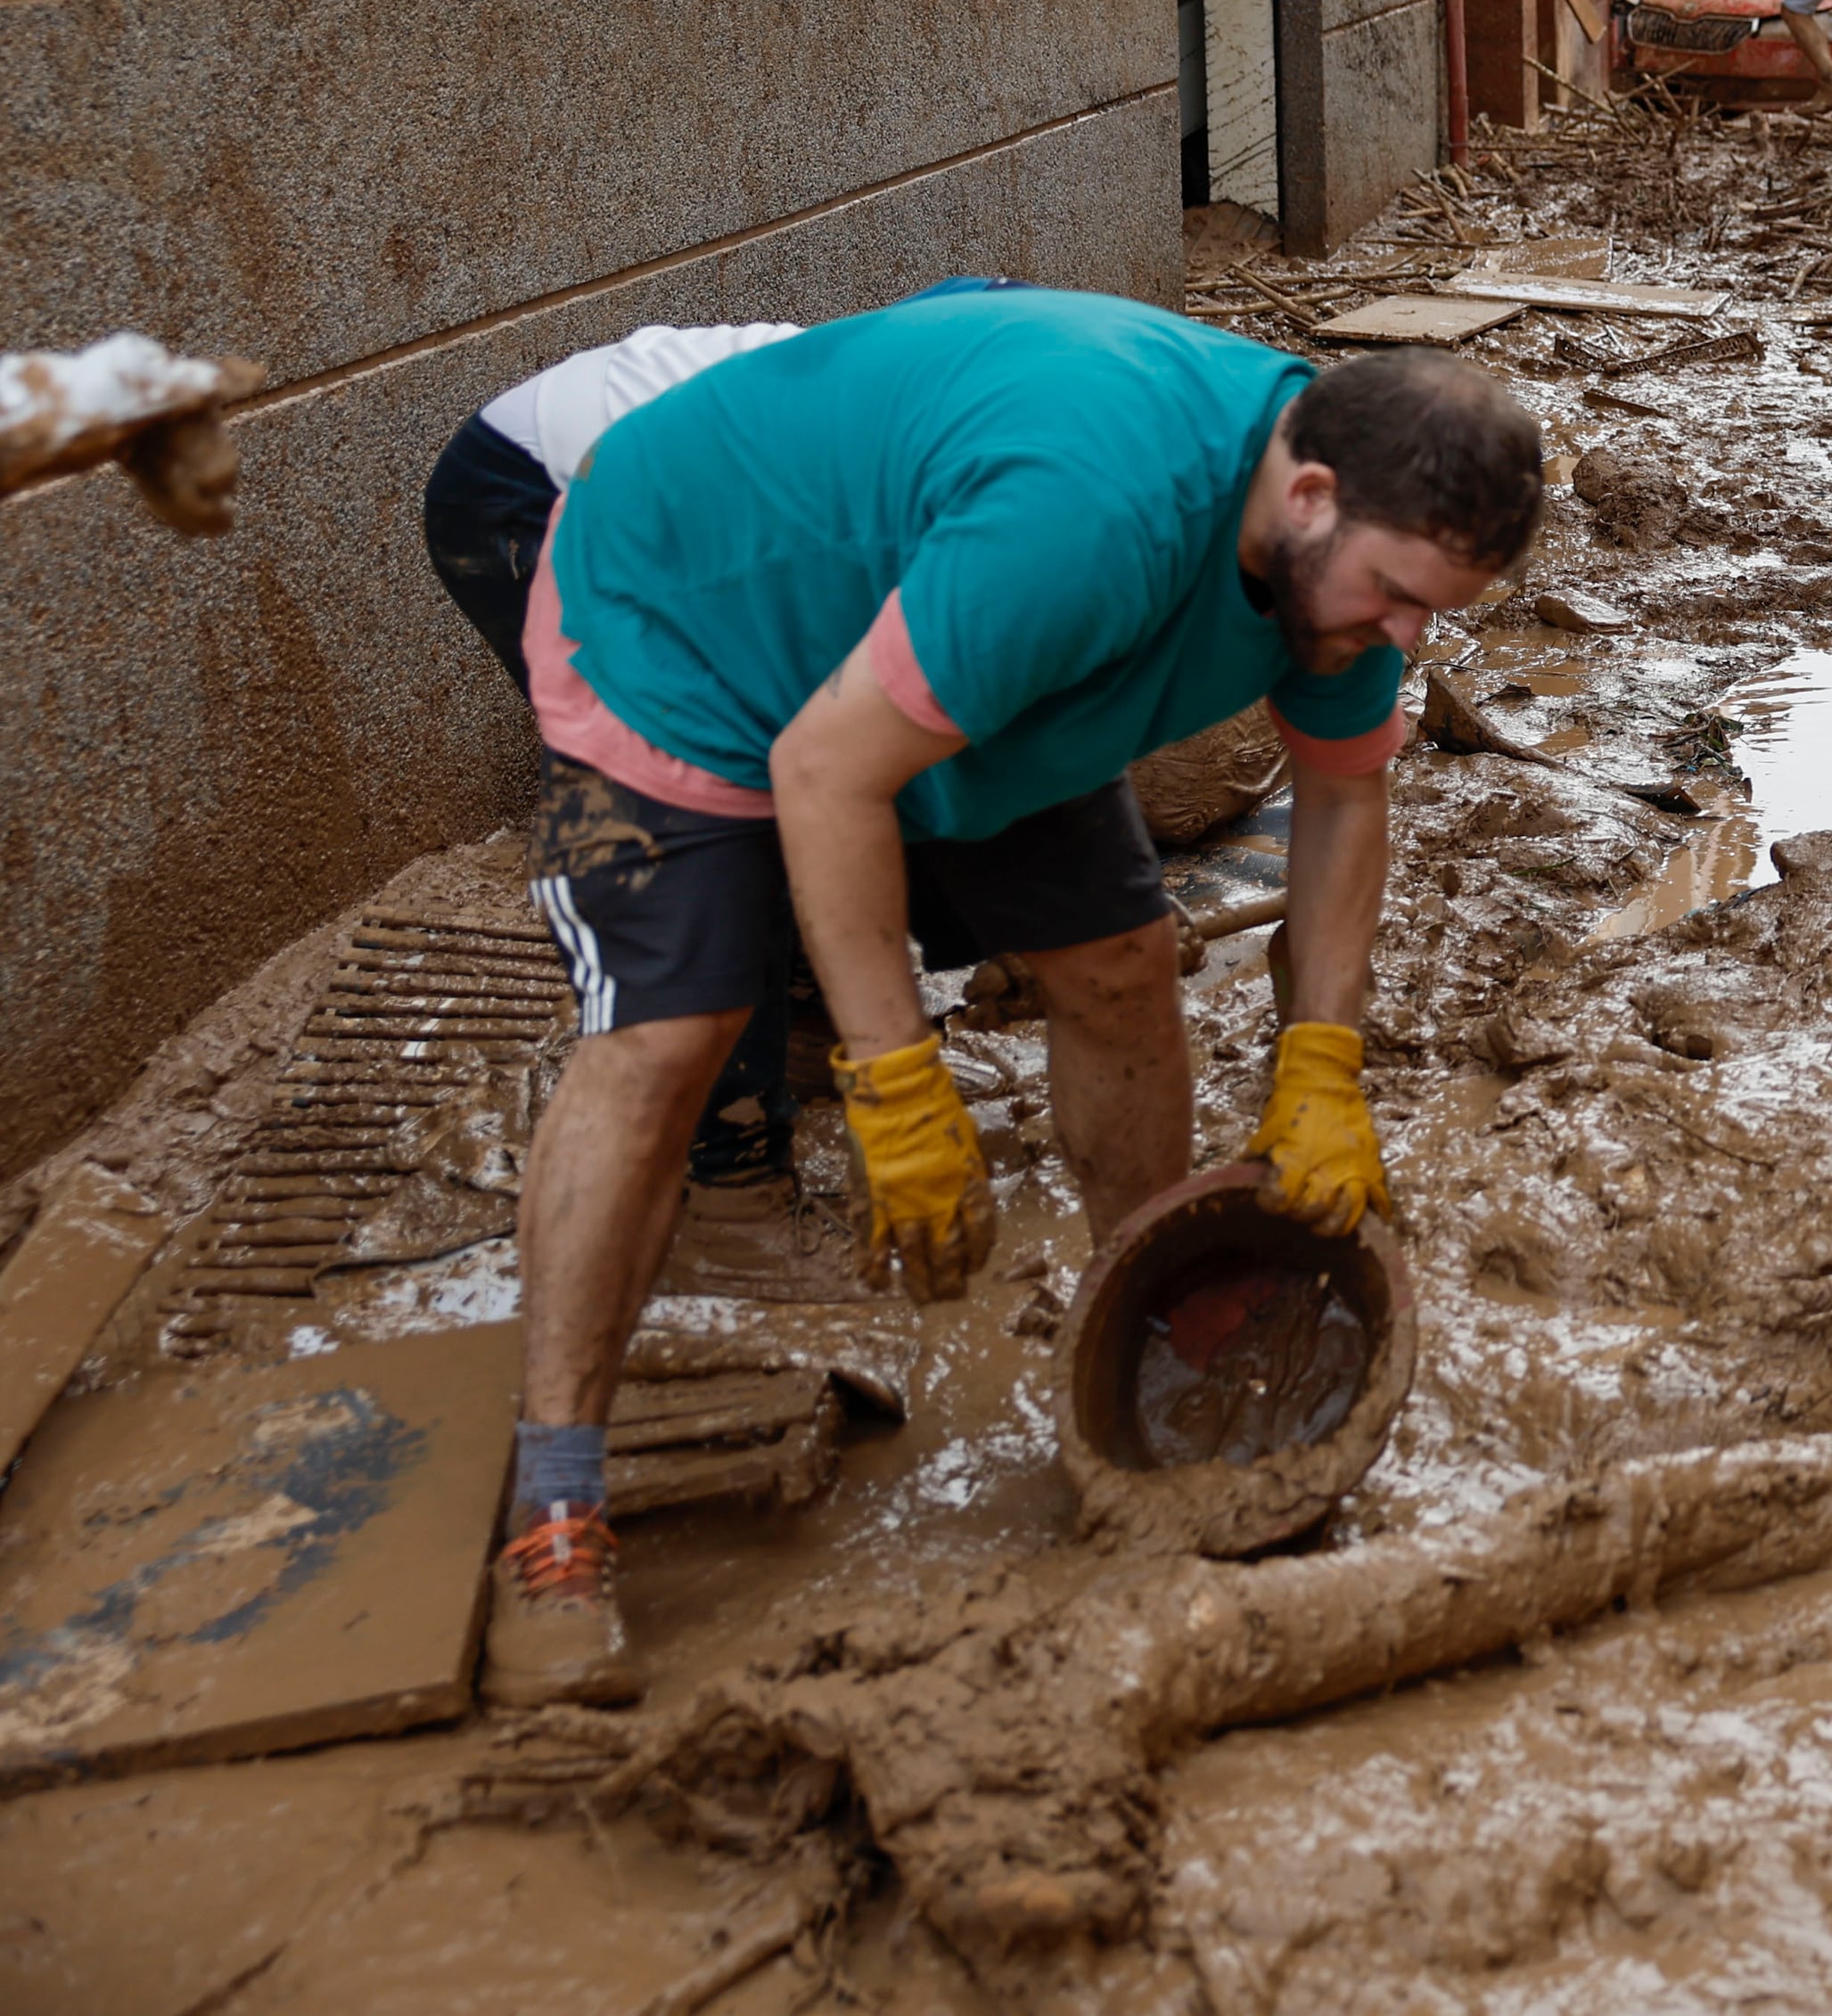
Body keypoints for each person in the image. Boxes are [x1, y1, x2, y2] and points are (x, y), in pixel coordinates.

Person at [487, 294, 1540, 1707]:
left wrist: (1324, 1062)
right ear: (1307, 493)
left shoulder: (1322, 558)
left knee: (1119, 962)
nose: (1406, 634)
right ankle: (553, 1508)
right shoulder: (1091, 515)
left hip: (946, 650)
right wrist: (896, 1082)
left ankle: (1151, 1321)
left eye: (1434, 611)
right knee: (670, 1040)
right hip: (693, 622)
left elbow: (1345, 798)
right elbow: (825, 771)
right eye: (1397, 596)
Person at [423, 320, 812, 1200]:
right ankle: (731, 1173)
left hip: (674, 509)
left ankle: (796, 1023)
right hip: (523, 494)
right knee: (707, 821)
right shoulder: (873, 472)